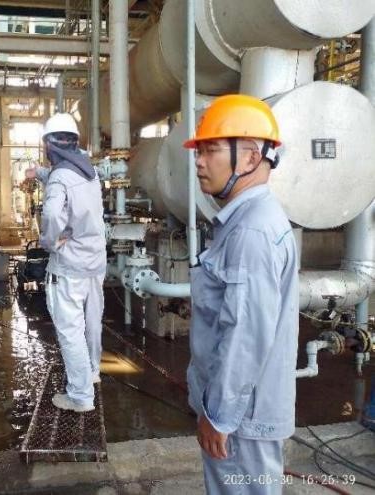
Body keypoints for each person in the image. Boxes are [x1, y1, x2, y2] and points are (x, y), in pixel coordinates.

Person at [183, 94, 299, 494]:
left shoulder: (252, 232)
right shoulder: (247, 220)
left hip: (239, 419)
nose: (199, 162)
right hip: (243, 411)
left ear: (250, 158)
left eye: (211, 150)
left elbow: (245, 335)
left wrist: (219, 416)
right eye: (199, 151)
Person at [38, 112, 106, 413]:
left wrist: (49, 242)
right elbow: (64, 178)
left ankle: (80, 396)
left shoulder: (59, 178)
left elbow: (53, 214)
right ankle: (92, 372)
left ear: (49, 145)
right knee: (92, 321)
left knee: (70, 329)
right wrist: (39, 174)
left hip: (70, 266)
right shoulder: (89, 171)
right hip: (95, 261)